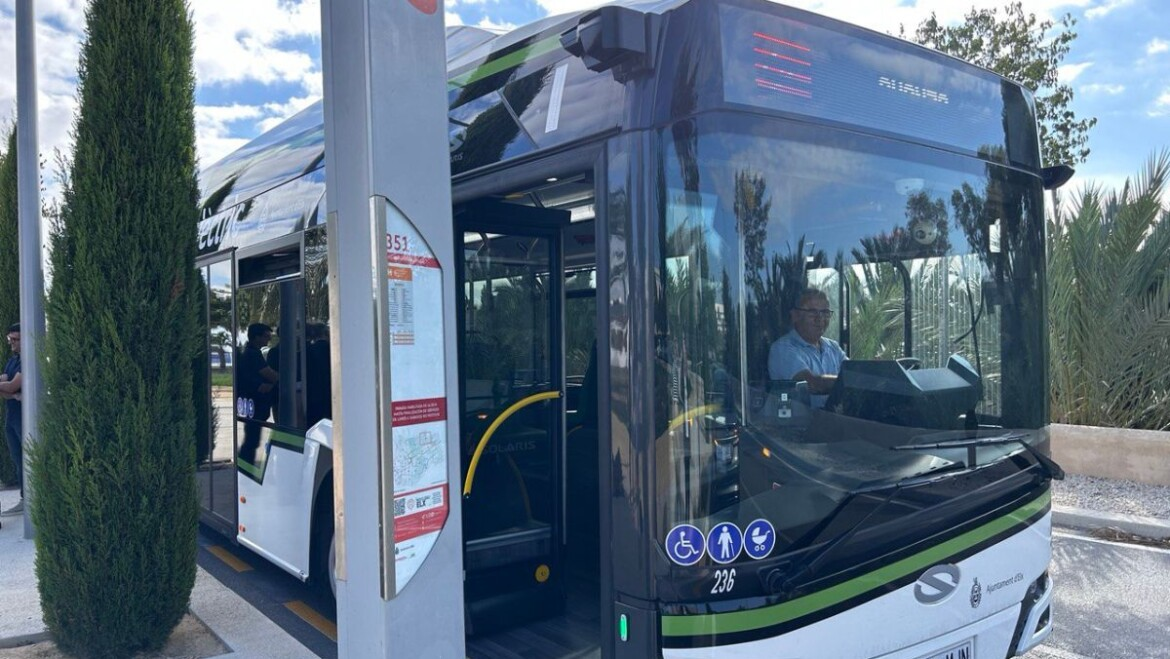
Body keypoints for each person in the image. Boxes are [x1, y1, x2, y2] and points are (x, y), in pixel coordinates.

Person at [768, 288, 845, 408]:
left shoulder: (833, 347)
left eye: (825, 312)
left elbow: (852, 373)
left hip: (831, 422)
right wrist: (849, 382)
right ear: (795, 316)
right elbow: (811, 384)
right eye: (812, 312)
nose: (819, 318)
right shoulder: (782, 349)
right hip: (797, 424)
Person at [238, 323, 278, 464]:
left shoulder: (250, 352)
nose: (268, 340)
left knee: (251, 438)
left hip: (250, 403)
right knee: (252, 440)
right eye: (266, 337)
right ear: (256, 337)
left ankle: (244, 465)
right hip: (254, 403)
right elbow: (270, 375)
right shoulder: (253, 354)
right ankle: (245, 466)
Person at [0, 323, 22, 516]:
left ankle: (31, 498)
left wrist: (11, 390)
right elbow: (6, 385)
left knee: (26, 457)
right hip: (12, 415)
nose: (11, 343)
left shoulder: (28, 360)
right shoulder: (13, 360)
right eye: (10, 340)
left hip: (25, 417)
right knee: (17, 458)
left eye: (14, 339)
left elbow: (13, 385)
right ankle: (25, 498)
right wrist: (10, 391)